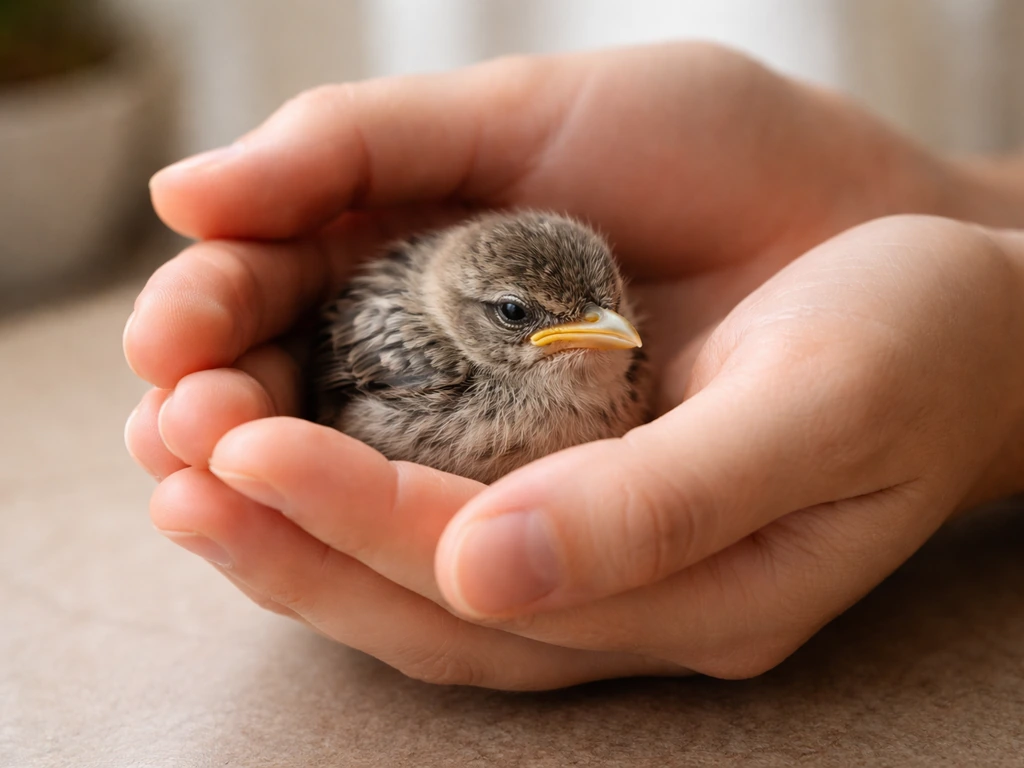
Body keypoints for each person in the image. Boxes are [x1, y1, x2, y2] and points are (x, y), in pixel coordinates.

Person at [124, 42, 1024, 690]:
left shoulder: (623, 357)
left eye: (610, 305)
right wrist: (954, 205)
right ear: (480, 319)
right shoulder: (409, 343)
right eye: (521, 319)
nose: (606, 332)